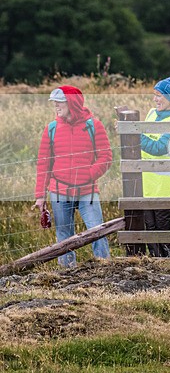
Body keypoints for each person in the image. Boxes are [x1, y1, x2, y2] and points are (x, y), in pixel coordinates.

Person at [33, 86, 112, 267]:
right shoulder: (51, 129)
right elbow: (43, 164)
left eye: (59, 102)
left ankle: (105, 270)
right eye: (54, 103)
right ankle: (67, 274)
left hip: (87, 191)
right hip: (59, 191)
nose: (56, 106)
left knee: (97, 232)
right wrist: (40, 195)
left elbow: (106, 157)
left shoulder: (94, 125)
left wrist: (88, 175)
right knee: (64, 237)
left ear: (72, 103)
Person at [139, 75, 170, 257]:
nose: (155, 99)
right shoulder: (152, 113)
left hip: (166, 185)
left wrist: (133, 134)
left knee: (164, 229)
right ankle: (156, 265)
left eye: (159, 95)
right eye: (155, 95)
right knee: (150, 227)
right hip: (148, 181)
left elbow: (159, 147)